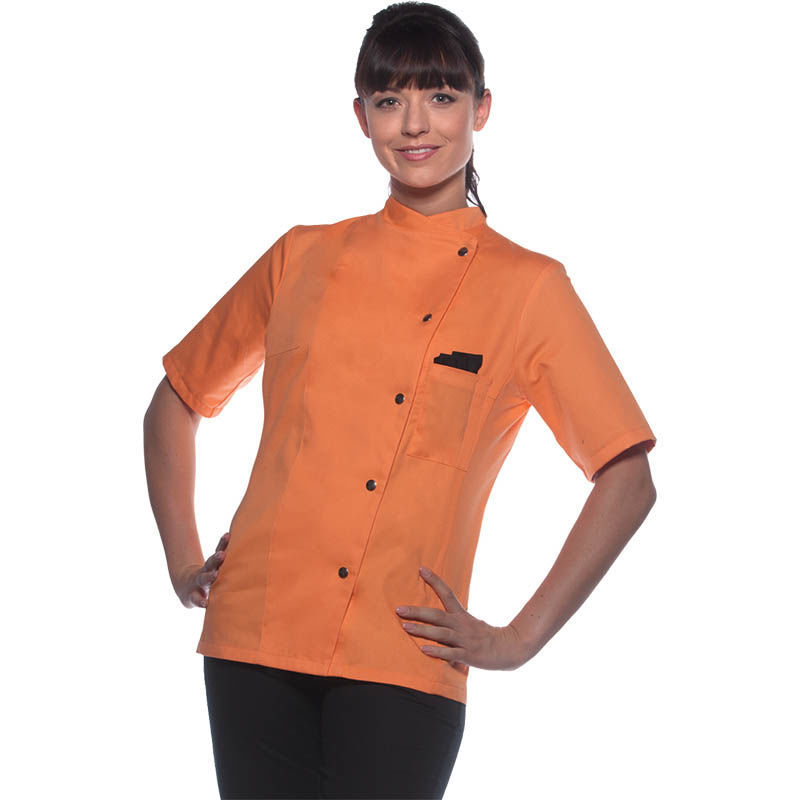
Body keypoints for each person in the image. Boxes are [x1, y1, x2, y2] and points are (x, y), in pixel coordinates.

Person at [143, 2, 658, 798]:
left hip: (403, 655)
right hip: (253, 637)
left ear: (482, 109)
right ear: (361, 116)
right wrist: (185, 561)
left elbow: (627, 476)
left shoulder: (528, 289)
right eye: (390, 100)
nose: (415, 124)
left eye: (442, 96)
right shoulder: (301, 257)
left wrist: (517, 639)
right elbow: (176, 399)